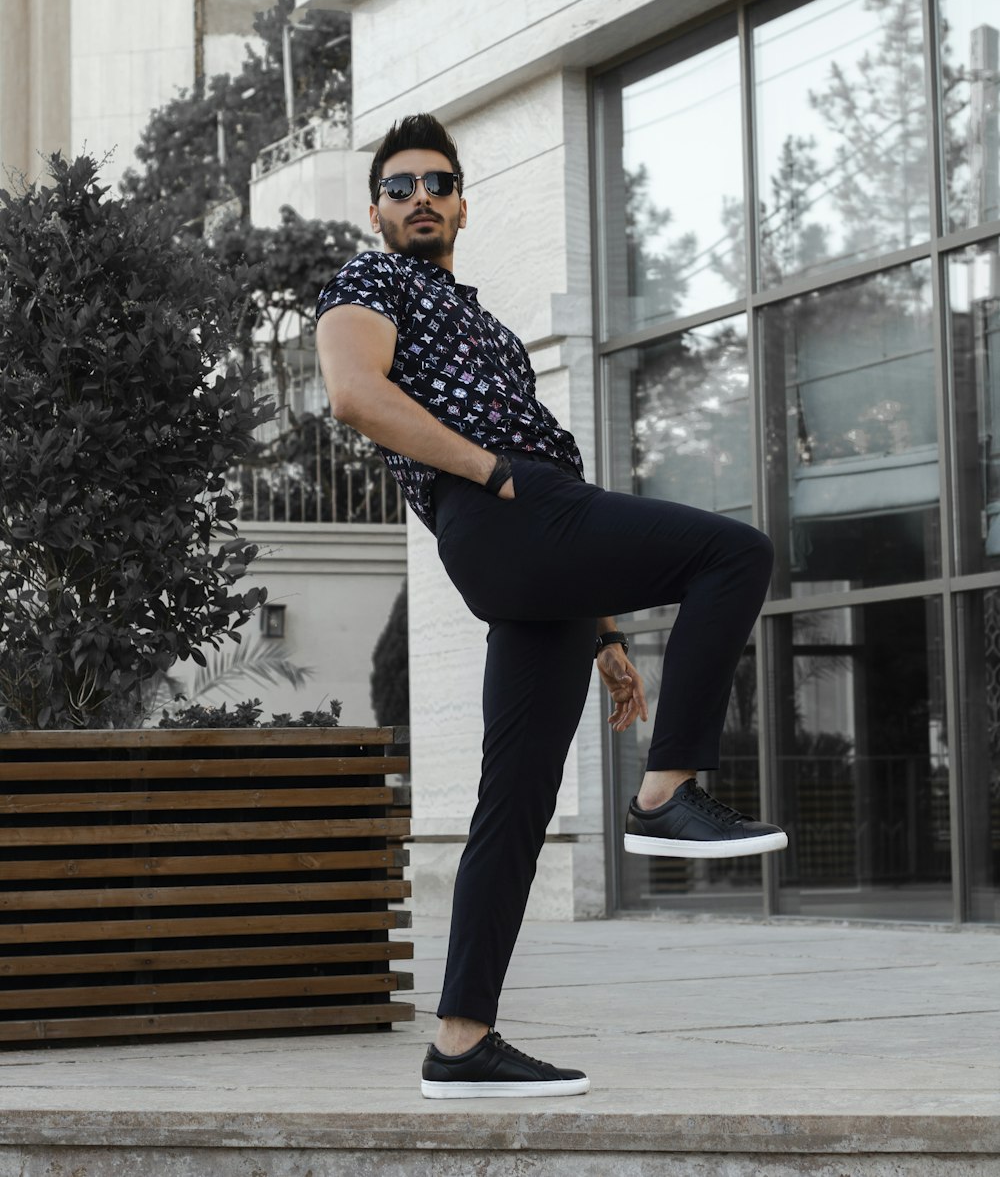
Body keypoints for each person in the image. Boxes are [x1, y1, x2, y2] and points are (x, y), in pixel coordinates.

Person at [315, 112, 786, 1100]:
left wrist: (608, 633)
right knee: (734, 554)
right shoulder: (369, 282)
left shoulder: (484, 322)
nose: (420, 198)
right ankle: (665, 798)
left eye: (437, 182)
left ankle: (461, 1039)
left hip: (535, 543)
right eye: (399, 187)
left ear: (462, 204)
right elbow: (355, 394)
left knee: (515, 800)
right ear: (376, 210)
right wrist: (493, 474)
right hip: (502, 509)